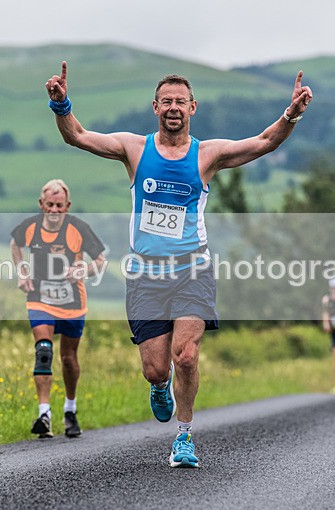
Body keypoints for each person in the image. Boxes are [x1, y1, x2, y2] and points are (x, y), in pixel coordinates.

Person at [45, 61, 312, 467]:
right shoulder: (134, 148)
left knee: (185, 354)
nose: (173, 107)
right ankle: (159, 385)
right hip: (146, 274)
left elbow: (263, 142)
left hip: (193, 270)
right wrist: (62, 105)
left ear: (193, 107)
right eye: (166, 101)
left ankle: (184, 437)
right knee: (156, 368)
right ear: (155, 107)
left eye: (181, 101)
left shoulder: (208, 155)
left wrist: (291, 113)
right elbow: (78, 136)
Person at [10, 179, 106, 439]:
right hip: (40, 298)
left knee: (68, 358)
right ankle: (44, 414)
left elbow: (100, 260)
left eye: (59, 206)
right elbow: (15, 245)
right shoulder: (30, 227)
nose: (54, 210)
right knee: (43, 350)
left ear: (67, 206)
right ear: (41, 205)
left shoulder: (78, 228)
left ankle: (70, 410)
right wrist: (21, 272)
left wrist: (83, 269)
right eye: (49, 205)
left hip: (73, 302)